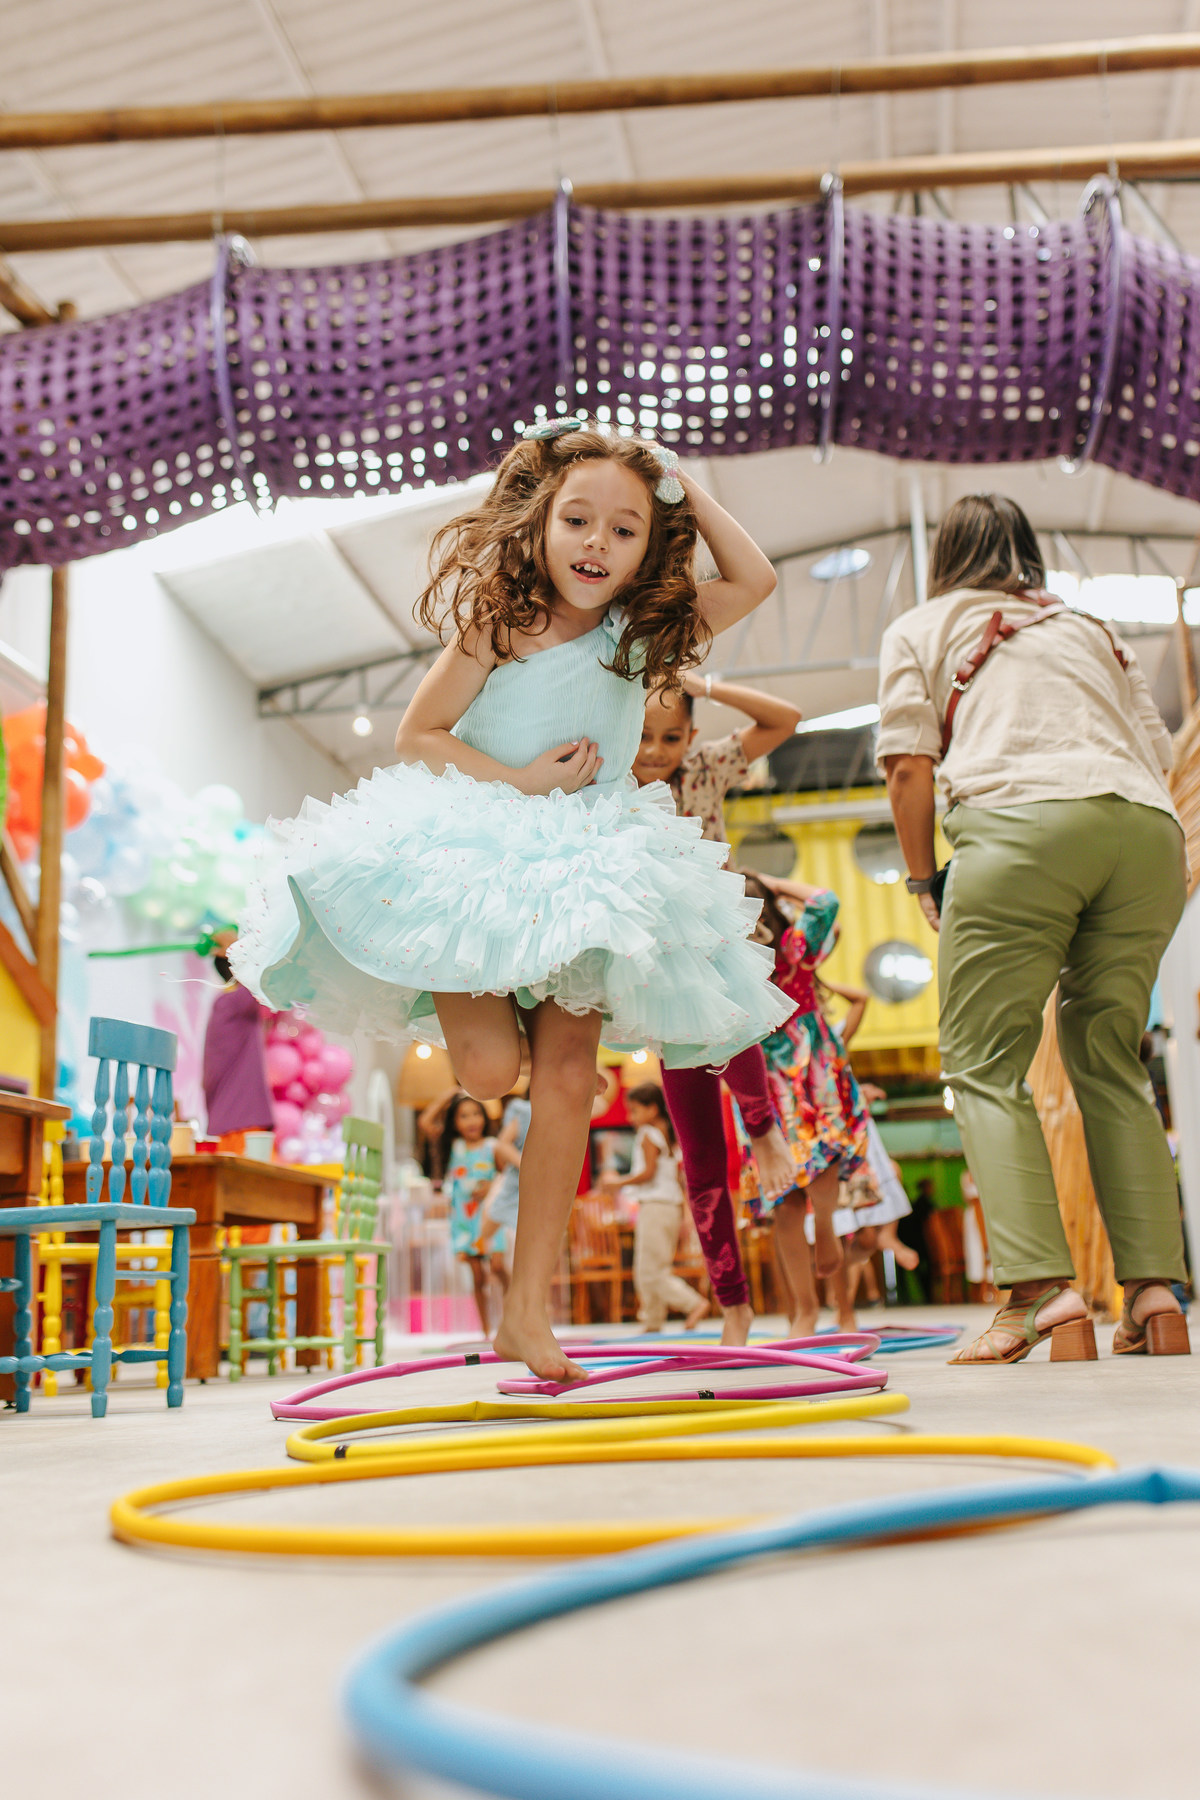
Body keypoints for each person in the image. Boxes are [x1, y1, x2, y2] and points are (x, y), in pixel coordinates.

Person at [232, 419, 791, 1381]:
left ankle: (526, 1316)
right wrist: (523, 781)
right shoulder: (499, 622)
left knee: (569, 1077)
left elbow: (755, 579)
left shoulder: (640, 635)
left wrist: (679, 484)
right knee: (491, 1074)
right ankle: (494, 1032)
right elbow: (419, 734)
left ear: (648, 546)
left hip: (588, 866)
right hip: (479, 851)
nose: (597, 543)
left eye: (624, 529)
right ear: (538, 522)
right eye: (578, 520)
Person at [878, 491, 1190, 1362]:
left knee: (984, 1061)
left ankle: (1042, 1296)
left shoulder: (922, 626)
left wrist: (922, 878)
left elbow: (908, 767)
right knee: (1110, 1057)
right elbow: (1159, 752)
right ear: (1029, 551)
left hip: (1022, 829)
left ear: (945, 555)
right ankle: (1154, 1294)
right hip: (1146, 834)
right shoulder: (1093, 629)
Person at [631, 671, 802, 1345]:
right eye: (644, 735)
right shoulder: (611, 780)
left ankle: (762, 1127)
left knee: (730, 1013)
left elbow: (784, 718)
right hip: (660, 976)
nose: (656, 750)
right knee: (700, 1159)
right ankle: (734, 1306)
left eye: (671, 737)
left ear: (691, 737)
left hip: (715, 945)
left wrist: (704, 683)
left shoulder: (703, 769)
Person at [734, 874, 870, 1337]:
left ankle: (808, 1308)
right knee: (817, 1156)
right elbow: (824, 901)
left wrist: (761, 881)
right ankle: (823, 1233)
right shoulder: (792, 948)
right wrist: (772, 883)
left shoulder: (741, 957)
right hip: (802, 1063)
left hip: (772, 1068)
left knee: (786, 1199)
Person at [600, 1081, 708, 1331]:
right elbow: (675, 1180)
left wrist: (617, 1182)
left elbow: (648, 1173)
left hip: (656, 1207)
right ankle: (653, 1319)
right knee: (653, 1267)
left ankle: (692, 1304)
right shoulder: (667, 1134)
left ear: (652, 1109)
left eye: (635, 1110)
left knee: (649, 1271)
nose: (630, 1118)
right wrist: (684, 1214)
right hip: (669, 1208)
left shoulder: (648, 1134)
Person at [201, 932, 275, 1155]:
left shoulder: (225, 1006)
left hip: (233, 1123)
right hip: (241, 1125)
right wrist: (240, 944)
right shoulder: (234, 1004)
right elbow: (263, 973)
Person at [440, 1093, 508, 1335]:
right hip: (464, 1221)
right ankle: (486, 1330)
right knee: (478, 1277)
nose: (471, 1121)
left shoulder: (493, 1146)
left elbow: (506, 1175)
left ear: (484, 1117)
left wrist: (492, 1186)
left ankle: (514, 1312)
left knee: (498, 1266)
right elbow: (425, 1123)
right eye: (464, 1116)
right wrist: (449, 1094)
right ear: (454, 1122)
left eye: (476, 1114)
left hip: (489, 1215)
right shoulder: (454, 1147)